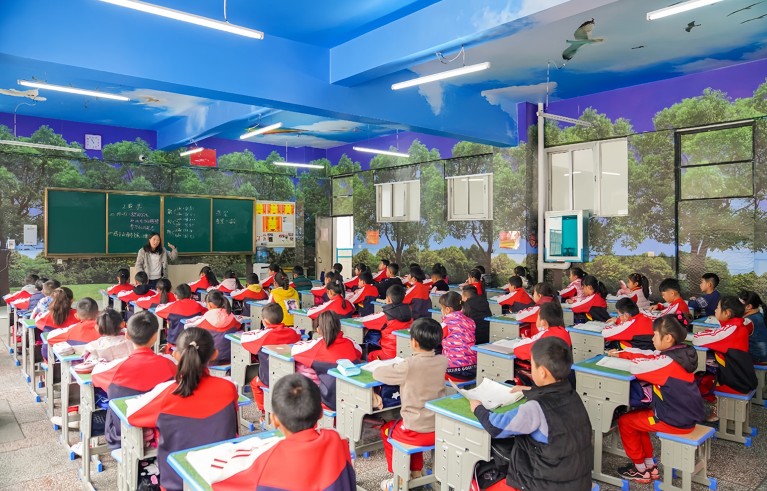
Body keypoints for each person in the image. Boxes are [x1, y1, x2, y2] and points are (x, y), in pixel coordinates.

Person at [471, 337, 593, 491]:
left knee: (480, 482)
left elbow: (495, 425)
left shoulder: (536, 408)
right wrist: (531, 390)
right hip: (578, 482)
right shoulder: (572, 395)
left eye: (532, 365)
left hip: (542, 485)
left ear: (542, 372)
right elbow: (552, 396)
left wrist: (477, 408)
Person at [126, 327, 239, 491]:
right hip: (220, 476)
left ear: (176, 355)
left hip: (175, 480)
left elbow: (132, 416)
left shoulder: (166, 393)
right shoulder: (229, 388)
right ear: (214, 354)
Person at [210, 374, 357, 490]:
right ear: (320, 413)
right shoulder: (336, 440)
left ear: (274, 420)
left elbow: (217, 479)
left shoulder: (264, 462)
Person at [612, 315, 706, 482]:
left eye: (655, 334)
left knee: (626, 422)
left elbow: (638, 366)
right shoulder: (680, 353)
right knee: (638, 419)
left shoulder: (666, 362)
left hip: (674, 419)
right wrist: (623, 354)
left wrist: (622, 358)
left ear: (668, 338)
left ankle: (640, 470)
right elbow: (651, 356)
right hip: (685, 414)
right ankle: (649, 466)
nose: (652, 338)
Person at [373, 317, 448, 491]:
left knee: (387, 430)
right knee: (408, 424)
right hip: (438, 427)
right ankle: (416, 473)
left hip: (415, 430)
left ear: (413, 342)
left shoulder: (408, 365)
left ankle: (398, 479)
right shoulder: (443, 361)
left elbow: (378, 374)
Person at [92, 311, 177, 450]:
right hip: (161, 427)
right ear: (155, 337)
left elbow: (95, 376)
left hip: (122, 432)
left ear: (126, 335)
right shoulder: (170, 364)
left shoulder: (115, 367)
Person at [244, 303, 302, 418]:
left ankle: (263, 412)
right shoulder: (293, 332)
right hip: (291, 375)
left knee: (254, 383)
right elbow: (299, 334)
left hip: (267, 377)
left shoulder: (262, 336)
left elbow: (245, 338)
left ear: (264, 321)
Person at [693, 296, 758, 397]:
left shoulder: (730, 330)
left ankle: (711, 410)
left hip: (735, 383)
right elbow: (717, 333)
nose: (715, 310)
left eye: (718, 308)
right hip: (743, 379)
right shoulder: (738, 325)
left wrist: (703, 333)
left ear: (727, 313)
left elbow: (696, 339)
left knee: (697, 381)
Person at [292, 311, 362, 386]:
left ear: (318, 330)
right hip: (348, 387)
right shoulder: (350, 342)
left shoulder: (316, 345)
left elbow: (294, 350)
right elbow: (360, 352)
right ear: (340, 327)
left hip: (325, 390)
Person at [185, 290, 242, 365]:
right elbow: (239, 323)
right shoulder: (232, 317)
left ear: (210, 305)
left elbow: (187, 327)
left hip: (209, 357)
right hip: (229, 356)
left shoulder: (205, 319)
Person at [363, 284, 412, 361]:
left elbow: (365, 321)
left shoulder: (385, 315)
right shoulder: (409, 312)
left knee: (370, 355)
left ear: (388, 299)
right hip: (406, 352)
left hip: (388, 354)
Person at [155, 283, 208, 352]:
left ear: (175, 296)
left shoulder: (171, 307)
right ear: (191, 295)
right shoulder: (199, 305)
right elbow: (207, 308)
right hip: (194, 344)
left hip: (175, 344)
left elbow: (157, 310)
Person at [439, 291, 477, 381]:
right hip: (472, 369)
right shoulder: (470, 321)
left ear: (447, 309)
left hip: (453, 372)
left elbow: (432, 340)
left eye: (441, 308)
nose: (441, 310)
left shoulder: (446, 323)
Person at [36, 288, 78, 361]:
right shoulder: (78, 315)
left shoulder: (45, 316)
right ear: (72, 300)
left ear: (53, 300)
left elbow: (37, 323)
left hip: (50, 355)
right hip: (74, 353)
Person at [739, 290, 767, 364]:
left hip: (757, 360)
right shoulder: (760, 315)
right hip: (763, 357)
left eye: (739, 304)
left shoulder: (748, 321)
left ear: (749, 306)